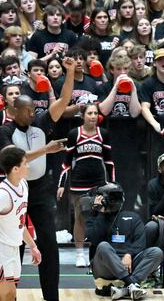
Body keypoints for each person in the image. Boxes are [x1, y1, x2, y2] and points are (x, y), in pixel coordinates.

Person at [0, 56, 75, 301]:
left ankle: (51, 297)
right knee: (14, 245)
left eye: (33, 110)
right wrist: (46, 150)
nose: (33, 114)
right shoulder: (4, 131)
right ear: (15, 111)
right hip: (15, 191)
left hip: (39, 189)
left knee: (49, 244)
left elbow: (63, 100)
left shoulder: (40, 122)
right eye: (28, 111)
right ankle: (10, 296)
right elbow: (15, 157)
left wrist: (69, 72)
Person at [0, 146, 42, 301]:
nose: (28, 166)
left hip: (13, 247)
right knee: (10, 295)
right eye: (25, 163)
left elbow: (20, 223)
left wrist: (33, 246)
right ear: (15, 168)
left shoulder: (23, 185)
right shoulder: (2, 194)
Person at [57, 103, 115, 268]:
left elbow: (109, 161)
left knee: (100, 217)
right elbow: (66, 163)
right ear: (83, 116)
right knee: (80, 218)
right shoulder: (74, 134)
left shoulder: (103, 134)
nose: (93, 116)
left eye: (95, 113)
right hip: (78, 183)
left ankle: (97, 253)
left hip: (98, 183)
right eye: (89, 113)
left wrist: (111, 183)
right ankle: (80, 253)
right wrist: (61, 184)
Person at [86, 182, 162, 300]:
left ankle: (126, 289)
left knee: (156, 252)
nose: (113, 200)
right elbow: (94, 240)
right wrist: (100, 212)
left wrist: (129, 254)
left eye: (116, 196)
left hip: (129, 264)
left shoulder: (133, 217)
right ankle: (131, 284)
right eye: (110, 196)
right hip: (104, 266)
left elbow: (140, 243)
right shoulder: (95, 218)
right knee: (103, 246)